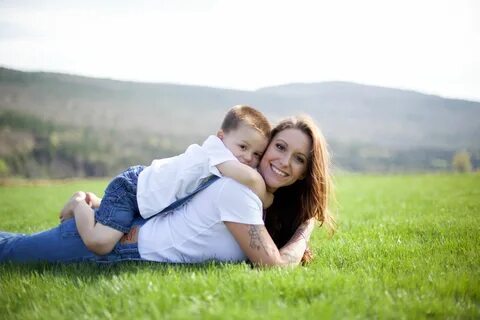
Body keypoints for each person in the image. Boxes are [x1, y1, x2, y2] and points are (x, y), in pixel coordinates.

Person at [0, 115, 335, 267]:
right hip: (116, 249)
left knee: (10, 247)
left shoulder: (244, 190)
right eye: (279, 146)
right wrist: (304, 231)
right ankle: (78, 205)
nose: (283, 161)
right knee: (9, 251)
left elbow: (177, 203)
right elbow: (274, 267)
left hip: (126, 235)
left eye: (299, 158)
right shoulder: (241, 190)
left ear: (307, 171)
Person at [60, 105, 273, 255]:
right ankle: (79, 204)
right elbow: (252, 180)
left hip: (145, 194)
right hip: (131, 189)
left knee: (123, 217)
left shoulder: (225, 155)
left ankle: (97, 201)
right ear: (221, 137)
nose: (248, 158)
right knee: (100, 243)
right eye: (243, 147)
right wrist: (268, 198)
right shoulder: (216, 152)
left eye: (257, 154)